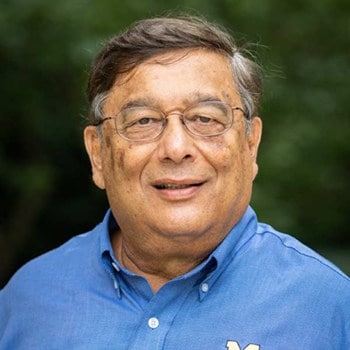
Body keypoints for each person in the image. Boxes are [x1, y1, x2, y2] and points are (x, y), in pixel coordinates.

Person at [0, 15, 349, 350]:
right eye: (143, 121)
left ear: (250, 144)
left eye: (205, 118)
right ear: (98, 155)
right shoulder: (26, 301)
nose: (176, 148)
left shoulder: (330, 308)